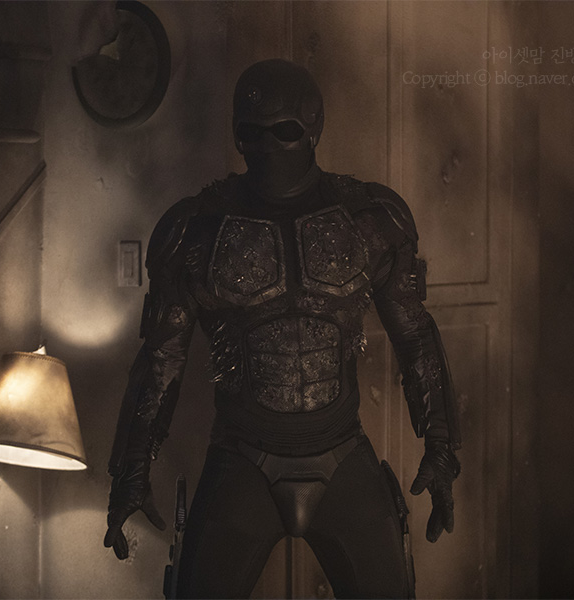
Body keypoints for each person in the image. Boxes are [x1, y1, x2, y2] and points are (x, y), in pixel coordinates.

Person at [104, 58, 461, 599]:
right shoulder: (196, 231)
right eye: (252, 133)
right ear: (236, 135)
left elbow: (416, 337)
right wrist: (131, 470)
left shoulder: (371, 219)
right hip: (242, 458)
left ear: (313, 129)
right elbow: (161, 360)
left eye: (284, 130)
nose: (267, 147)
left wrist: (440, 446)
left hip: (342, 452)